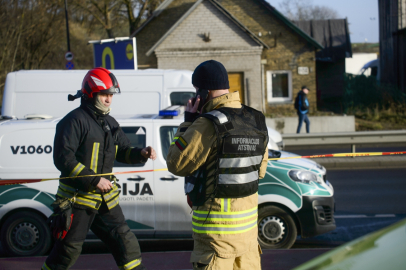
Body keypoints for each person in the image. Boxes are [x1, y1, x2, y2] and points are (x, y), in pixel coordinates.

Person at [42, 67, 156, 270]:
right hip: (78, 201)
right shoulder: (73, 121)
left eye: (111, 95)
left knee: (127, 246)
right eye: (104, 94)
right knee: (66, 252)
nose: (109, 100)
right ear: (90, 93)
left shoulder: (110, 123)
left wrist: (141, 153)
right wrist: (93, 180)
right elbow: (63, 159)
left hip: (105, 201)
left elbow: (122, 151)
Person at [167, 60, 269, 270]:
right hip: (248, 240)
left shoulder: (208, 123)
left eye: (196, 91)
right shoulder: (256, 120)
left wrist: (188, 122)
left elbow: (176, 163)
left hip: (216, 242)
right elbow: (261, 171)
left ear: (204, 92)